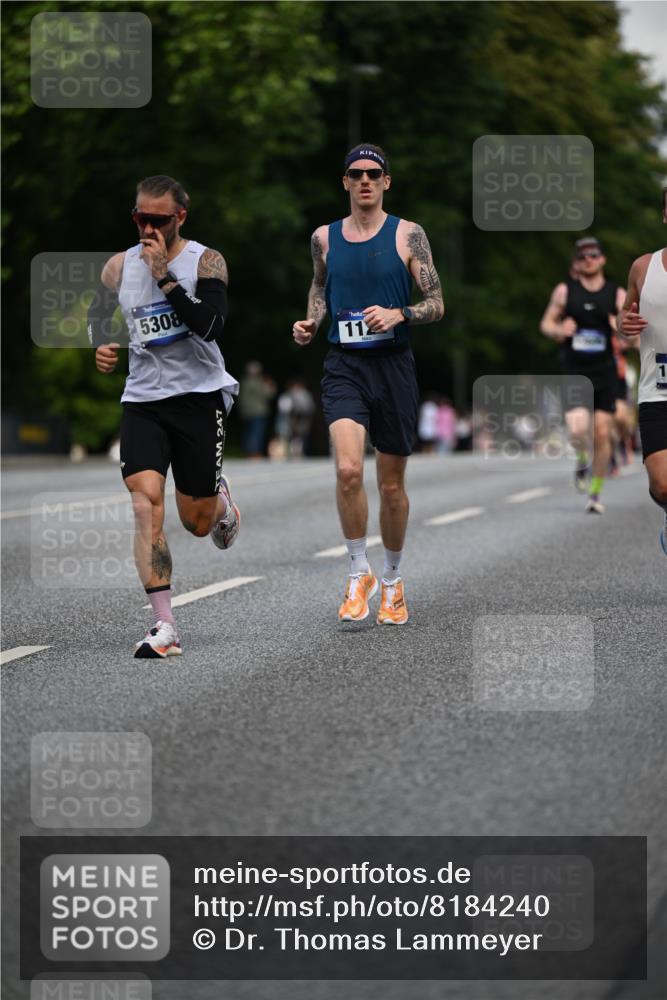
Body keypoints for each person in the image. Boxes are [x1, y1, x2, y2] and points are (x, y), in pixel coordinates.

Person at [292, 143, 444, 625]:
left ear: (386, 182)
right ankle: (359, 571)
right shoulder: (324, 237)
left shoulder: (408, 235)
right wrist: (312, 321)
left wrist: (400, 313)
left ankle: (393, 581)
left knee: (392, 486)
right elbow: (319, 285)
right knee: (349, 471)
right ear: (345, 182)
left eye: (373, 174)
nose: (364, 181)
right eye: (355, 173)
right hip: (345, 366)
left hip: (394, 366)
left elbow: (437, 301)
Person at [90, 174, 240, 657]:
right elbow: (98, 312)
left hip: (198, 397)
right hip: (143, 400)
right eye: (139, 218)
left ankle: (220, 504)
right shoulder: (119, 266)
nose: (146, 228)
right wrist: (103, 342)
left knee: (195, 521)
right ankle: (164, 626)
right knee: (143, 503)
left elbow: (211, 326)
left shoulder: (206, 261)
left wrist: (165, 278)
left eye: (157, 219)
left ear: (180, 217)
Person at [540, 236, 625, 513]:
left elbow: (633, 335)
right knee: (578, 430)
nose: (588, 260)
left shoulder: (617, 294)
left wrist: (620, 329)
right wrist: (558, 329)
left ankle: (596, 493)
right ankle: (582, 457)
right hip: (575, 371)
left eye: (593, 255)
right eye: (582, 256)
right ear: (576, 262)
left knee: (602, 432)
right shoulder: (565, 292)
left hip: (605, 372)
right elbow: (546, 324)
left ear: (602, 259)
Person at [618, 188, 667, 553]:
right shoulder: (643, 266)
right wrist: (626, 323)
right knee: (662, 485)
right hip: (656, 391)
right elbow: (624, 316)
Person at [238, 361, 276, 458]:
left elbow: (241, 398)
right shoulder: (259, 382)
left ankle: (248, 452)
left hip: (246, 411)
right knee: (257, 433)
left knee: (248, 433)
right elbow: (268, 394)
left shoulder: (244, 381)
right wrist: (270, 385)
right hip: (259, 411)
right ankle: (254, 453)